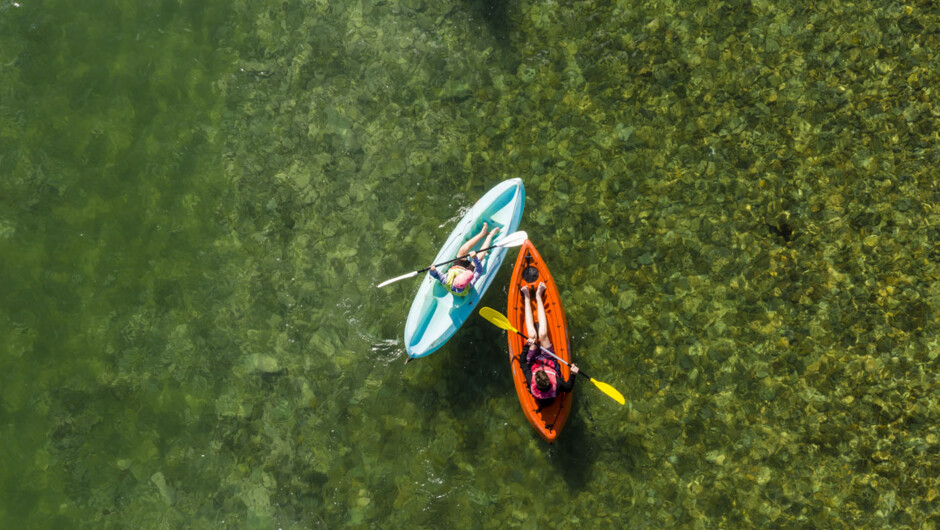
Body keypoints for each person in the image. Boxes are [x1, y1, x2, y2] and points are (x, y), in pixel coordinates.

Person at [520, 282, 578, 403]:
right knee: (543, 335)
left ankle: (526, 297)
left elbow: (522, 362)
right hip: (549, 360)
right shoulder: (557, 384)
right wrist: (573, 373)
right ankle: (538, 296)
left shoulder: (530, 378)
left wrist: (527, 345)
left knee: (532, 335)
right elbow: (568, 388)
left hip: (534, 360)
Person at [428, 223, 499, 296]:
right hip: (468, 268)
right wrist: (475, 258)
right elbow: (479, 270)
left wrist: (432, 270)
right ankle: (489, 236)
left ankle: (482, 233)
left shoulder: (446, 280)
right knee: (479, 258)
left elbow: (436, 275)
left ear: (456, 277)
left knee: (462, 250)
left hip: (457, 267)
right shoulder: (470, 284)